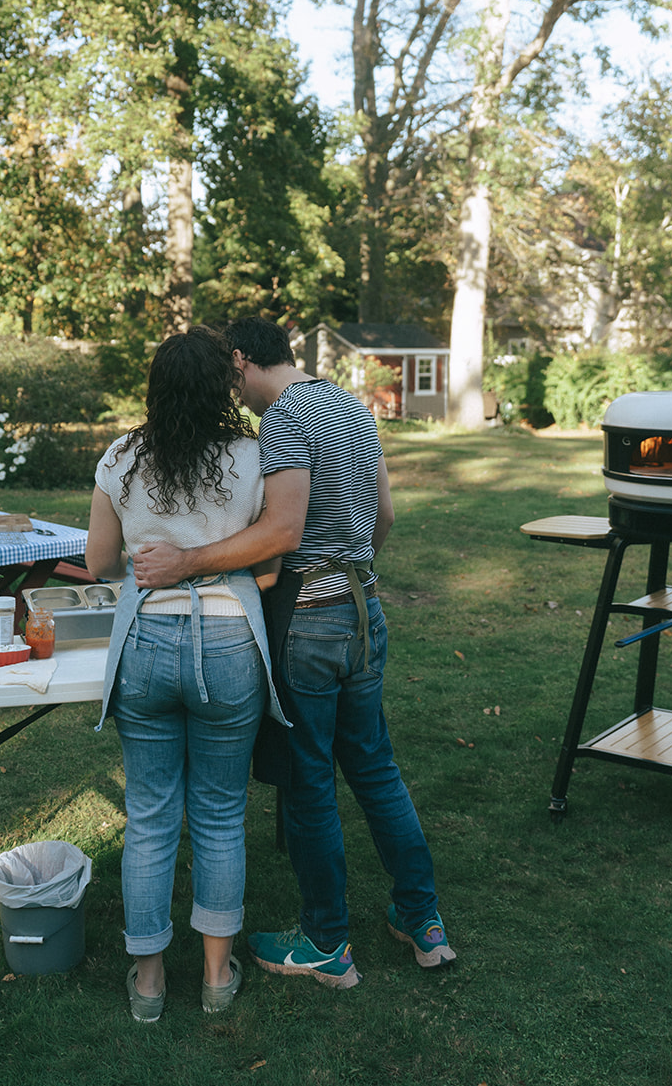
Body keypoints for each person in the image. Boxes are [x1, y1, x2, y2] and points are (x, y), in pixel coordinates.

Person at [134, 315, 455, 989]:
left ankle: (326, 944)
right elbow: (384, 517)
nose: (231, 391)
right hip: (365, 612)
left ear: (243, 359)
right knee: (374, 769)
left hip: (311, 623)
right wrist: (352, 580)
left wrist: (186, 561)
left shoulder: (282, 418)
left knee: (309, 784)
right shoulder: (350, 405)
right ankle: (421, 921)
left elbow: (281, 531)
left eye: (230, 374)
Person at [85, 326, 285, 1022]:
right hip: (229, 643)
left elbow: (99, 564)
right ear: (222, 385)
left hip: (143, 642)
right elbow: (267, 567)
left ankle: (146, 982)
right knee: (221, 814)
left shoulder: (119, 457)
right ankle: (215, 973)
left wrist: (150, 550)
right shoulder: (254, 456)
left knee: (148, 816)